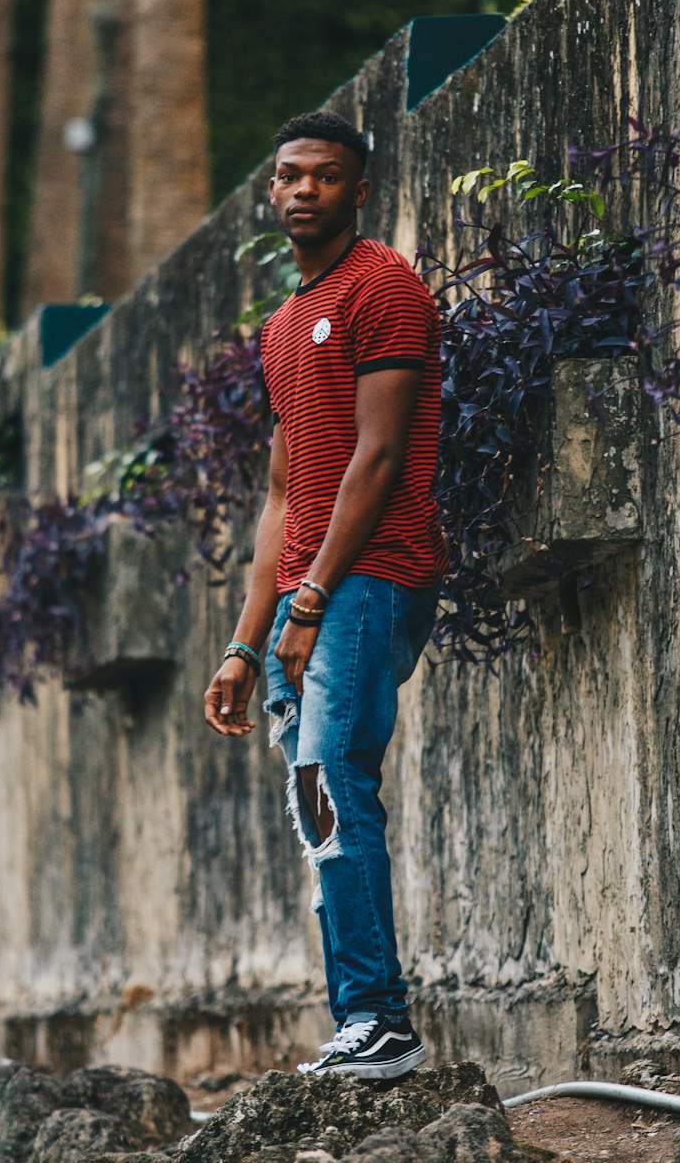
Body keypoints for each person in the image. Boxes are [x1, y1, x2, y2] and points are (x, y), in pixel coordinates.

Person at [204, 110, 447, 1079]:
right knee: (316, 794)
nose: (304, 189)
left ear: (359, 190)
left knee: (336, 777)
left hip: (371, 572)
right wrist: (243, 640)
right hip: (309, 589)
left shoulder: (383, 289)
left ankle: (378, 1020)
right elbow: (278, 492)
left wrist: (311, 603)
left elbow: (379, 456)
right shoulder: (278, 325)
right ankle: (361, 1016)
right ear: (272, 193)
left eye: (326, 175)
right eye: (289, 176)